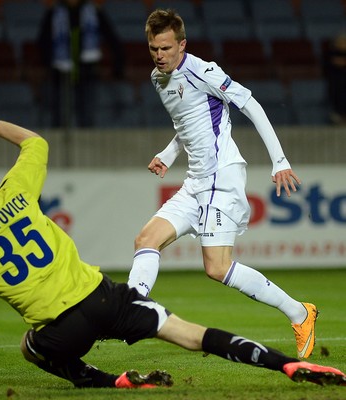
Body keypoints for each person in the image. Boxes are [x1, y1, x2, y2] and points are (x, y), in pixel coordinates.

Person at [0, 91, 346, 389]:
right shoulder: (18, 191)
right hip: (105, 298)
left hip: (61, 331)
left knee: (33, 350)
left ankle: (110, 383)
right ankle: (284, 367)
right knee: (193, 333)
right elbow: (34, 142)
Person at [127, 9, 318, 359]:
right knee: (146, 239)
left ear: (182, 44)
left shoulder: (204, 71)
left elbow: (251, 105)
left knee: (216, 267)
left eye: (166, 48)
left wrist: (280, 161)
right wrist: (169, 154)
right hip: (196, 181)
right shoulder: (158, 77)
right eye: (154, 48)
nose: (159, 55)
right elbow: (188, 124)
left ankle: (300, 313)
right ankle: (129, 310)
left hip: (222, 178)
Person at [37, 0, 124, 127]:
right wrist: (48, 63)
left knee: (87, 110)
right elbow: (43, 40)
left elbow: (111, 38)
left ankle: (87, 138)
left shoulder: (93, 11)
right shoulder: (54, 12)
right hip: (60, 70)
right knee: (59, 110)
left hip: (87, 69)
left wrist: (118, 64)